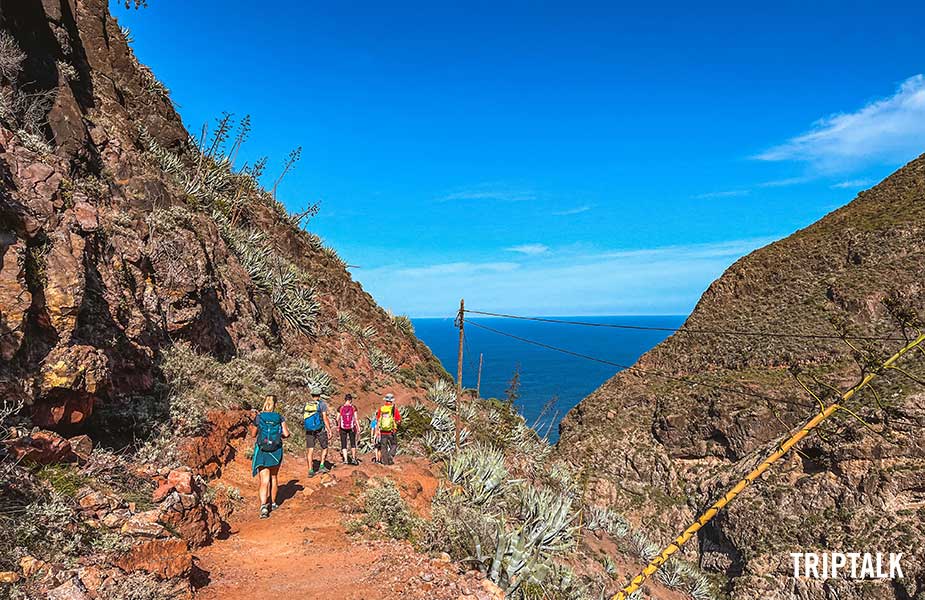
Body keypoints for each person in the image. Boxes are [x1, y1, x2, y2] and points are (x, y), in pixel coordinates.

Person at [251, 394, 290, 519]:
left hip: (262, 450)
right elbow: (286, 433)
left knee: (264, 480)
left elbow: (253, 434)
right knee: (274, 477)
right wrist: (280, 436)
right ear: (275, 404)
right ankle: (273, 503)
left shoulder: (259, 417)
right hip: (276, 450)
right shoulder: (279, 417)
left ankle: (263, 506)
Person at [303, 386, 334, 477]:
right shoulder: (322, 404)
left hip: (309, 430)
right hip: (320, 429)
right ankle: (321, 465)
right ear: (319, 395)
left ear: (312, 394)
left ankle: (310, 470)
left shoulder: (306, 404)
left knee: (310, 450)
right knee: (324, 447)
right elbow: (324, 418)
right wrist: (329, 430)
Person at [375, 393, 401, 465]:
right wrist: (398, 425)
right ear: (392, 400)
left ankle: (385, 462)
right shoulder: (394, 409)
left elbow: (378, 420)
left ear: (385, 400)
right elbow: (398, 420)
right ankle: (390, 455)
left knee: (384, 446)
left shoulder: (381, 409)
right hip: (392, 431)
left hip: (383, 431)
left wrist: (377, 430)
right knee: (394, 444)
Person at [337, 394, 360, 465]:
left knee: (344, 444)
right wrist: (358, 427)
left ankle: (346, 460)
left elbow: (337, 418)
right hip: (352, 427)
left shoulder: (340, 408)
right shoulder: (353, 407)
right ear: (350, 400)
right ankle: (353, 458)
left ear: (345, 399)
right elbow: (356, 418)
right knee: (353, 443)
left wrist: (338, 426)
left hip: (342, 428)